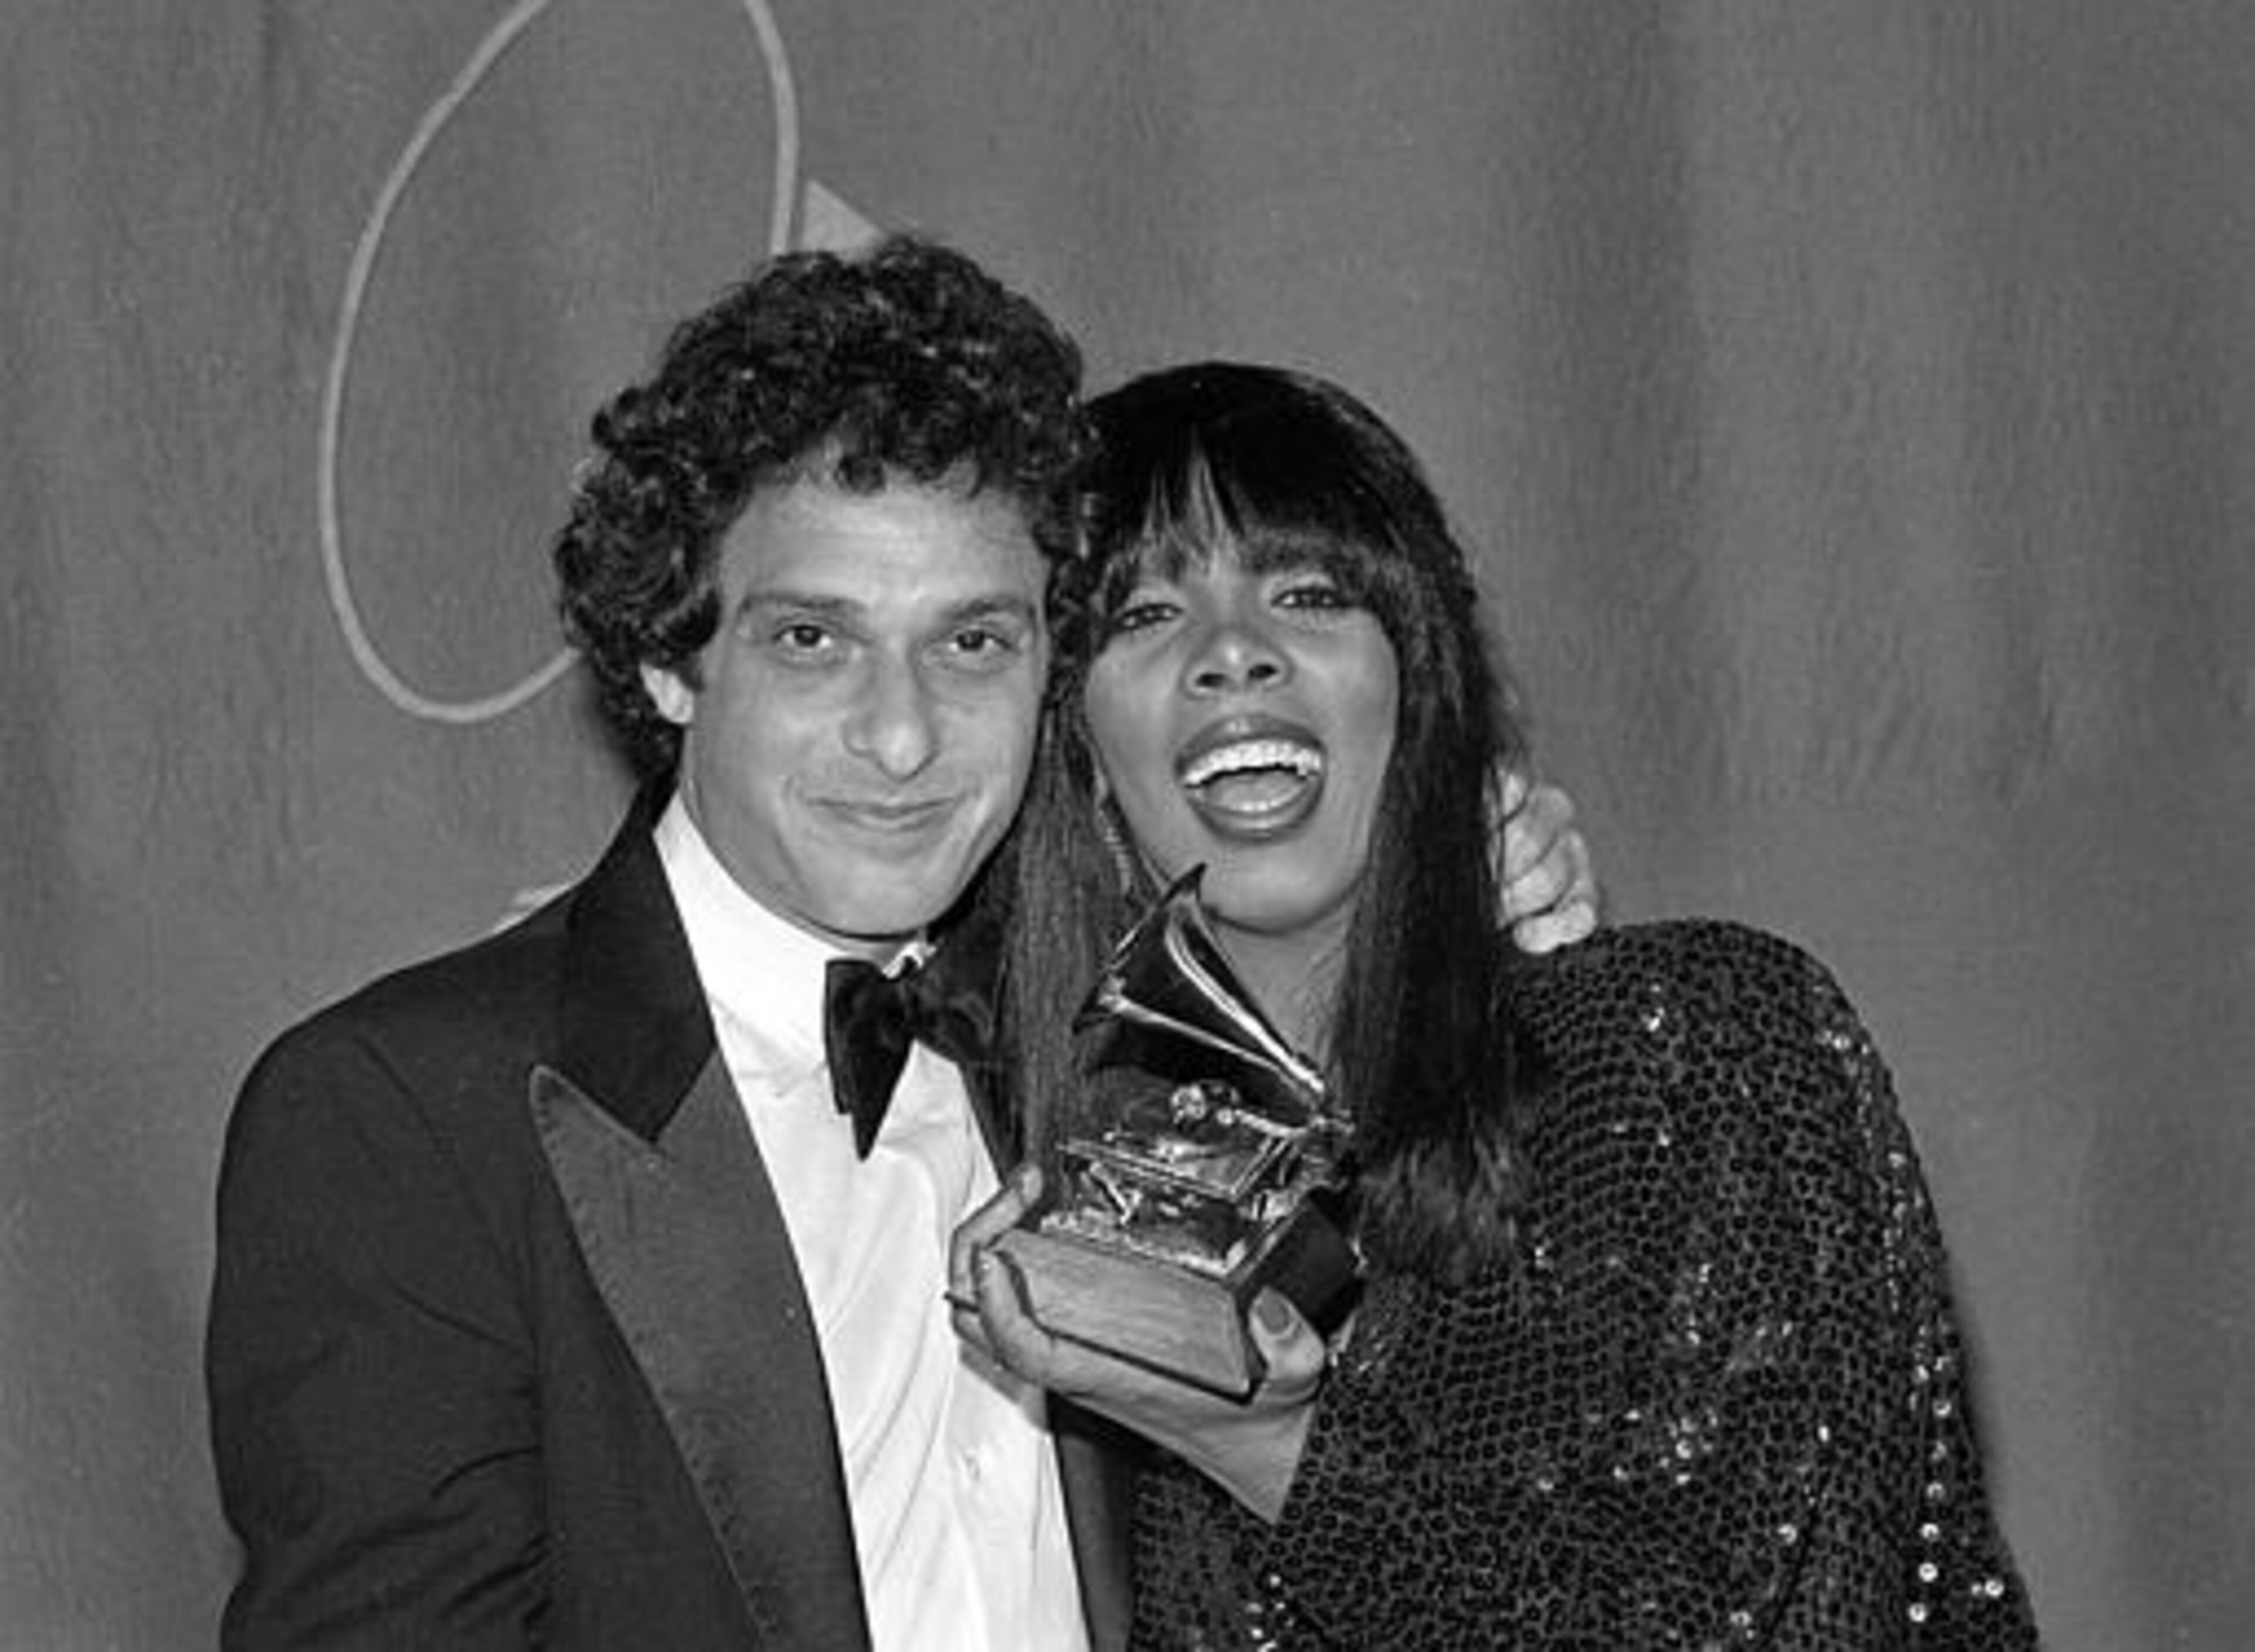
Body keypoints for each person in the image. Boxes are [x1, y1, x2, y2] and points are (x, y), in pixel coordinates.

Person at [205, 238, 1594, 1650]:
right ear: (668, 663)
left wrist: (1454, 898)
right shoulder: (405, 1113)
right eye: (815, 640)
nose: (903, 734)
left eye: (973, 643)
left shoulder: (1118, 1041)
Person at [953, 360, 2039, 1648]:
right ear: (1073, 750)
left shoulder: (1701, 1049)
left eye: (1307, 593)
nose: (1232, 655)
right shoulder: (1071, 1204)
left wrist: (1278, 1450)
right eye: (1142, 616)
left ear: (1418, 687)